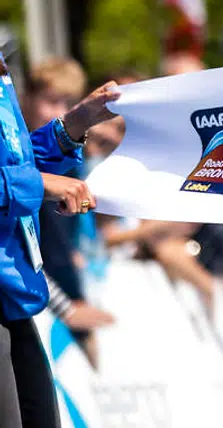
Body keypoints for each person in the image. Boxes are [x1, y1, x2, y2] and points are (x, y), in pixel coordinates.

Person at [0, 52, 121, 428]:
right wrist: (38, 185)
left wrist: (74, 124)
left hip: (14, 302)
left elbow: (17, 162)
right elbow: (24, 179)